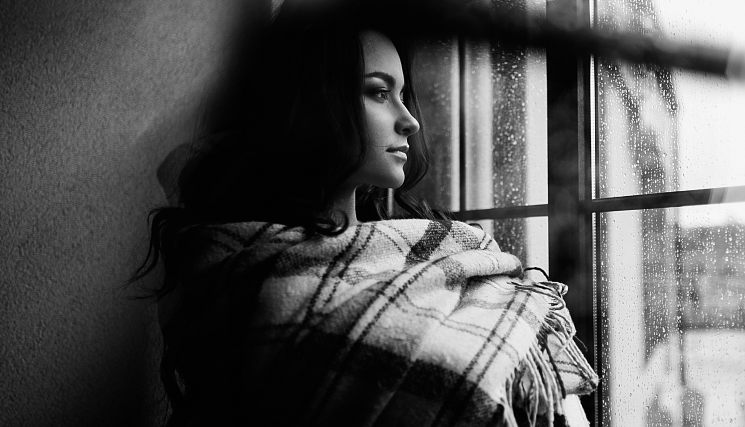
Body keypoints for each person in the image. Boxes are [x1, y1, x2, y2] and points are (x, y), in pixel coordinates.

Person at [131, 1, 596, 425]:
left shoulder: (443, 249)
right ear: (313, 105)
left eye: (402, 93)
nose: (409, 119)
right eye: (378, 93)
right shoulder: (248, 275)